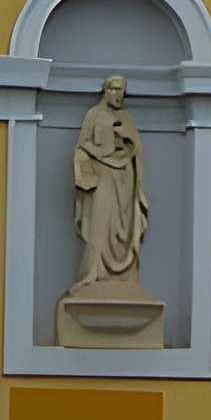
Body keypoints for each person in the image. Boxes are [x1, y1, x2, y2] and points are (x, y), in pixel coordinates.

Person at [71, 74, 148, 288]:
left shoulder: (126, 119)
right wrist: (87, 169)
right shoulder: (93, 115)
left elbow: (137, 150)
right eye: (114, 89)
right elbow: (82, 145)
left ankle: (123, 272)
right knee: (99, 223)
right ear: (105, 91)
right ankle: (92, 272)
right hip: (102, 178)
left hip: (124, 179)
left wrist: (127, 138)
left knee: (120, 228)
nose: (117, 94)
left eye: (121, 90)